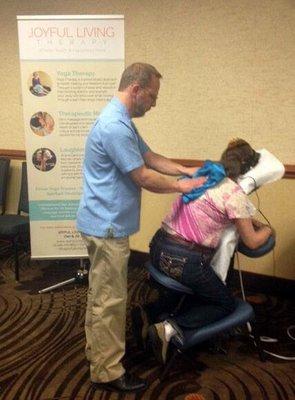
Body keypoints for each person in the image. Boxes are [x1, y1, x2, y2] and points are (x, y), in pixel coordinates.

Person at [76, 63, 205, 393]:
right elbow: (143, 177)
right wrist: (182, 187)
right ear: (135, 89)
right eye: (153, 95)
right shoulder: (114, 126)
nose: (155, 103)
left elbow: (150, 157)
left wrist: (185, 169)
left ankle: (98, 354)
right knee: (110, 299)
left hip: (104, 221)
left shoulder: (123, 121)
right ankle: (106, 373)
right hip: (106, 227)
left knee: (102, 295)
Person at [146, 138, 273, 365]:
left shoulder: (205, 175)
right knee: (224, 303)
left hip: (157, 248)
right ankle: (169, 328)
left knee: (200, 289)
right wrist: (267, 230)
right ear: (247, 171)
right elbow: (253, 242)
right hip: (184, 260)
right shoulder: (234, 194)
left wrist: (247, 218)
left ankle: (150, 313)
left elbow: (220, 210)